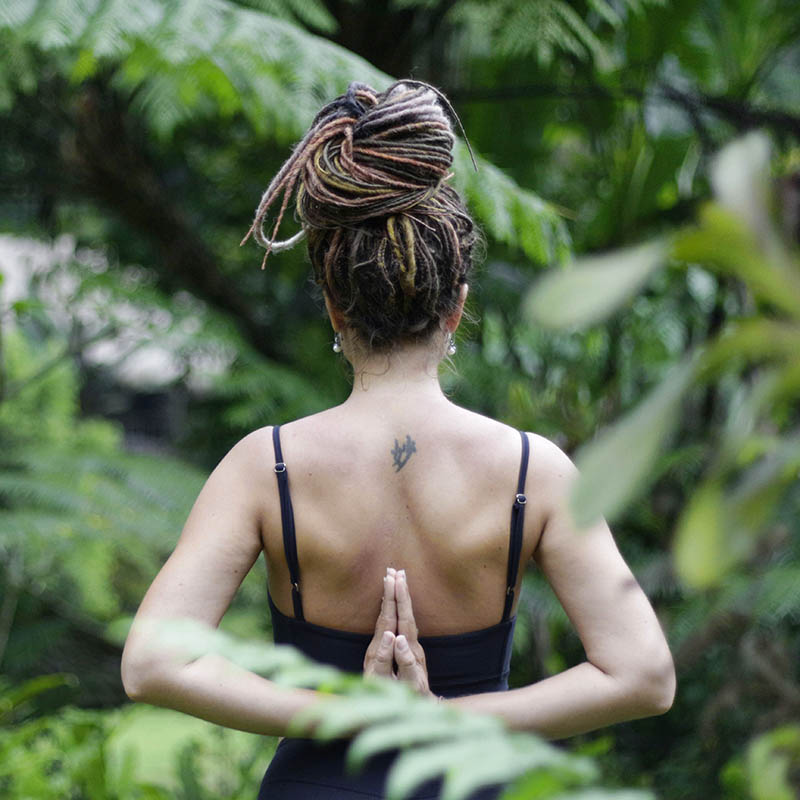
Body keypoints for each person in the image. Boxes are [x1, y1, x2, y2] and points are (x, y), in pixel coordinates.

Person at [121, 80, 675, 799]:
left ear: (332, 303)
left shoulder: (269, 466)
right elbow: (644, 675)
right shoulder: (534, 472)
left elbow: (153, 665)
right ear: (457, 309)